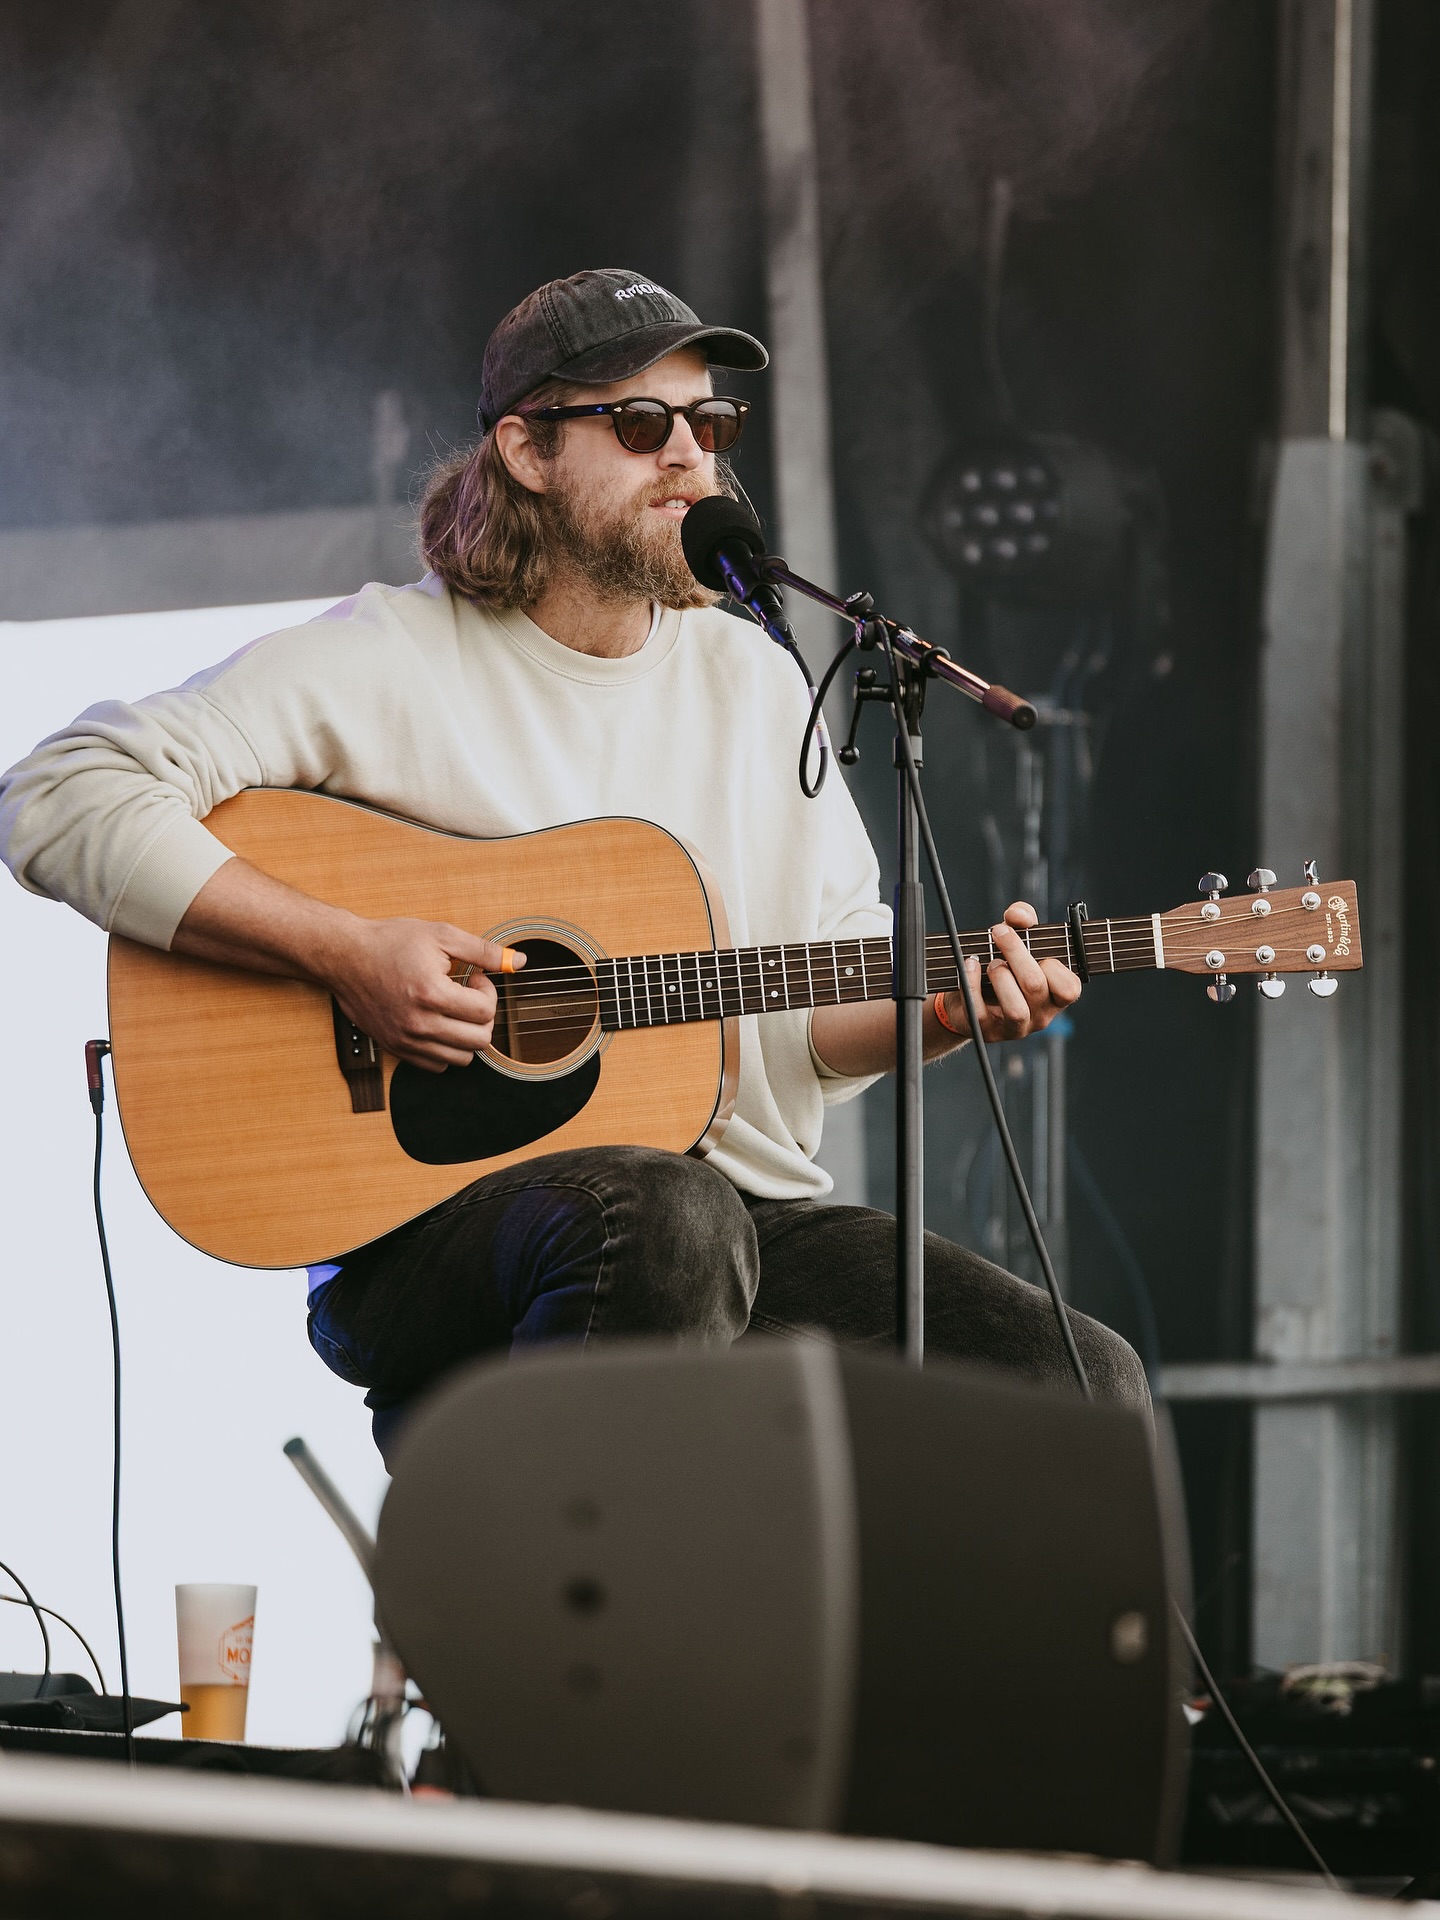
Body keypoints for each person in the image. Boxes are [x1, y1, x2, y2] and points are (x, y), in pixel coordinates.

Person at [0, 268, 1146, 1461]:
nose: (691, 459)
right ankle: (571, 1621)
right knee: (671, 1217)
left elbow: (806, 1017)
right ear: (528, 450)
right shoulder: (390, 658)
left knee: (1074, 1380)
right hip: (437, 1235)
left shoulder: (753, 678)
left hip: (739, 1219)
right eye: (643, 425)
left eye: (713, 426)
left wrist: (947, 1013)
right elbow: (57, 788)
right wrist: (348, 953)